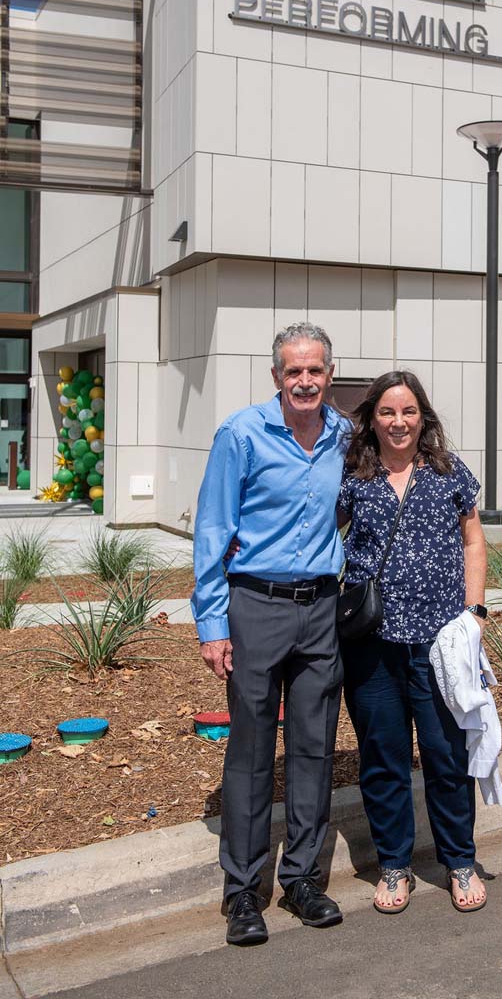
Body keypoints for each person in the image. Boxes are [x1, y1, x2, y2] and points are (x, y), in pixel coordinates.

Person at [192, 323, 349, 946]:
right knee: (252, 751)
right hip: (254, 605)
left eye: (314, 371)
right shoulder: (241, 434)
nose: (304, 381)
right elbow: (212, 529)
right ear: (277, 377)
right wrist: (211, 624)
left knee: (315, 747)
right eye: (293, 372)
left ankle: (304, 879)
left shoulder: (345, 435)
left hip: (322, 608)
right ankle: (243, 893)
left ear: (329, 374)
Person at [337, 370, 489, 915]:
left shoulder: (450, 471)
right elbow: (323, 536)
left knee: (446, 756)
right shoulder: (352, 474)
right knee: (383, 756)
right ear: (371, 419)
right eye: (387, 412)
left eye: (408, 412)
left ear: (422, 417)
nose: (398, 422)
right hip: (371, 641)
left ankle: (459, 860)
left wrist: (473, 613)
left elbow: (474, 540)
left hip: (441, 642)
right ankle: (395, 864)